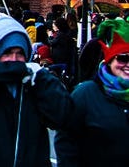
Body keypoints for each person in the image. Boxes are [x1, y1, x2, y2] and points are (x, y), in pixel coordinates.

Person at [0, 12, 73, 167]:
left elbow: (62, 115)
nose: (13, 59)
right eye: (7, 53)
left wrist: (41, 76)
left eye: (19, 54)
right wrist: (18, 70)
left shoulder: (33, 84)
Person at [54, 17, 129, 163]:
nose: (128, 65)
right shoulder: (86, 94)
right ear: (109, 60)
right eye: (122, 58)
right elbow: (66, 140)